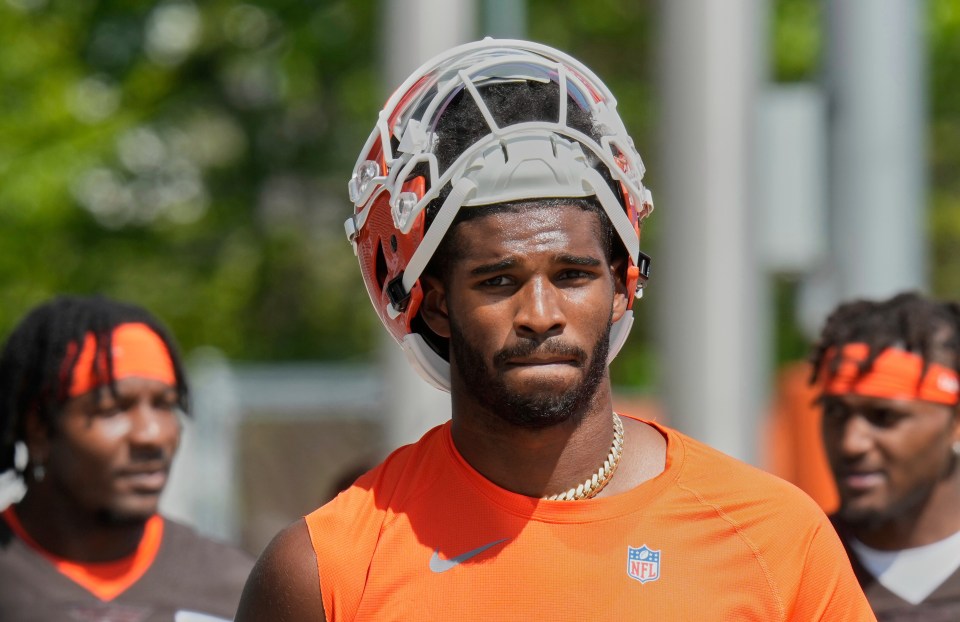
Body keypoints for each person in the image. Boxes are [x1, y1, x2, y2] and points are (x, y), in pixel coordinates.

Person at [237, 38, 874, 621]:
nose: (540, 314)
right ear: (433, 304)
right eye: (497, 281)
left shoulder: (775, 536)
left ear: (624, 285)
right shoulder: (326, 569)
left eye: (572, 274)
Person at [0, 295, 254, 621]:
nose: (150, 435)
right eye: (113, 409)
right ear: (38, 430)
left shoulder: (237, 588)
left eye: (165, 405)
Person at [810, 292, 960, 619]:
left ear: (955, 421)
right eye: (835, 413)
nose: (852, 443)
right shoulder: (794, 567)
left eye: (884, 417)